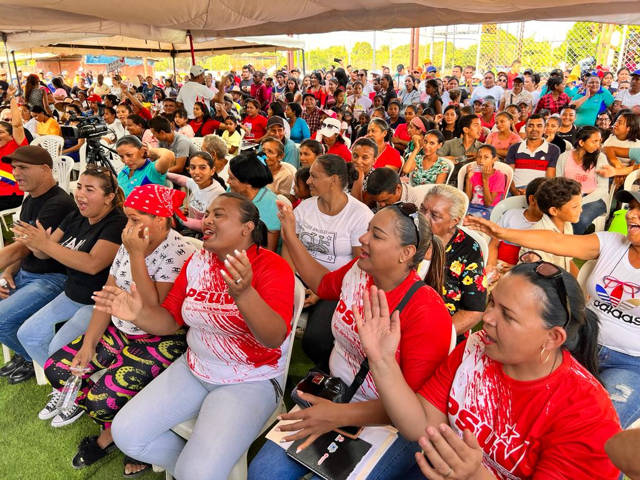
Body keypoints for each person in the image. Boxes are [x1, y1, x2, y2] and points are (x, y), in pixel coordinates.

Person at [356, 260, 621, 480]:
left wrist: (476, 476)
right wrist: (382, 360)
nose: (487, 317)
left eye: (508, 315)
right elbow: (422, 425)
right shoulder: (476, 348)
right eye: (492, 302)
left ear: (552, 338)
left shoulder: (588, 414)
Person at [93, 192, 295, 480]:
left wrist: (244, 294)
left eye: (219, 214)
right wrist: (137, 314)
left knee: (196, 472)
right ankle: (194, 469)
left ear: (246, 227)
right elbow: (168, 322)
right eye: (208, 214)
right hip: (195, 367)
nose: (208, 219)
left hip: (250, 380)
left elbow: (274, 338)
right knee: (127, 434)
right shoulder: (199, 260)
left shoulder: (271, 266)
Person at [250, 200, 452, 480]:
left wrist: (339, 415)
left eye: (377, 235)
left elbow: (417, 409)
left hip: (388, 422)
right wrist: (290, 236)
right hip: (333, 396)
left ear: (406, 253)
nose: (363, 238)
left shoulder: (427, 313)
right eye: (368, 229)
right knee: (263, 473)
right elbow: (322, 283)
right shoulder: (359, 271)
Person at [44, 184, 194, 476]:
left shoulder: (179, 252)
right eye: (128, 218)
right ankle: (110, 418)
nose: (129, 227)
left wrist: (137, 254)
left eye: (137, 219)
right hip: (121, 328)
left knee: (101, 401)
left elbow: (151, 312)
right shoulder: (130, 243)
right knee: (59, 369)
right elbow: (107, 296)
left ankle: (111, 434)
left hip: (159, 337)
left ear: (160, 220)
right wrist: (88, 345)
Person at [465, 189, 640, 430]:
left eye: (639, 210)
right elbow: (557, 241)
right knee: (520, 406)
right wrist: (503, 233)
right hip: (578, 342)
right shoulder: (612, 243)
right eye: (631, 208)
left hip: (631, 364)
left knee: (596, 432)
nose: (632, 215)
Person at [14, 166, 126, 414]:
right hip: (71, 293)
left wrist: (45, 245)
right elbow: (46, 252)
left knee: (57, 349)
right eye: (79, 187)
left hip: (96, 302)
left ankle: (77, 393)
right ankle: (64, 388)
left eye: (89, 189)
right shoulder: (76, 216)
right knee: (28, 334)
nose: (80, 194)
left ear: (109, 196)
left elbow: (92, 264)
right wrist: (34, 243)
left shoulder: (117, 222)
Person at [283, 154, 372, 366]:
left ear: (333, 180)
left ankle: (329, 377)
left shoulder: (359, 215)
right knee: (266, 316)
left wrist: (322, 291)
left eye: (314, 176)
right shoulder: (305, 207)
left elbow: (360, 265)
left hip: (338, 285)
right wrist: (288, 279)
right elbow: (289, 242)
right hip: (300, 280)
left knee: (317, 341)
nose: (308, 181)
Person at [0, 146, 76, 384]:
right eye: (14, 168)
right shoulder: (31, 199)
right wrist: (8, 272)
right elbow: (21, 243)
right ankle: (27, 357)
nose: (16, 173)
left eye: (23, 167)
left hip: (52, 279)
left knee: (1, 319)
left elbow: (23, 247)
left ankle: (31, 360)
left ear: (45, 169)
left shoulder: (58, 202)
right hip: (27, 273)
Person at [421, 185, 486, 337]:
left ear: (453, 221)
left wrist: (438, 335)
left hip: (440, 330)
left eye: (434, 215)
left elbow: (474, 310)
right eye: (423, 210)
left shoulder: (468, 250)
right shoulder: (409, 233)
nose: (423, 218)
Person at [486, 177, 545, 286]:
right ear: (532, 200)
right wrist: (491, 265)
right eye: (546, 200)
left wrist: (516, 269)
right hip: (498, 265)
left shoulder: (547, 226)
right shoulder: (511, 215)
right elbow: (494, 244)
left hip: (525, 275)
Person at [556, 126, 609, 234]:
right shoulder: (564, 157)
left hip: (594, 199)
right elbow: (558, 181)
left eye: (599, 141)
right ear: (581, 142)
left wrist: (579, 202)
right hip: (567, 197)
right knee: (555, 214)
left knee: (580, 219)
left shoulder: (600, 158)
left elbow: (602, 189)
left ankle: (569, 247)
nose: (598, 145)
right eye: (594, 141)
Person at [227, 152, 280, 252]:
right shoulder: (231, 191)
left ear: (247, 182)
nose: (227, 181)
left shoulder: (272, 206)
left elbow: (268, 251)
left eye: (231, 178)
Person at [167, 151, 226, 233]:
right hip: (189, 223)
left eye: (202, 168)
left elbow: (204, 225)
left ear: (212, 171)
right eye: (193, 167)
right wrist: (163, 173)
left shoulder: (217, 194)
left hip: (201, 233)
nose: (196, 172)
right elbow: (179, 179)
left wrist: (179, 217)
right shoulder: (196, 183)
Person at [505, 114, 559, 195]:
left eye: (539, 126)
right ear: (525, 128)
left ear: (545, 129)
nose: (534, 129)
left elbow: (550, 178)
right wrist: (515, 192)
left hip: (540, 191)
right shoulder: (514, 148)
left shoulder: (553, 150)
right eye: (530, 125)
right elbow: (509, 174)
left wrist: (534, 193)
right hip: (515, 190)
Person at [0, 89, 28, 211]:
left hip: (11, 195)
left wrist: (11, 98)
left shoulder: (16, 143)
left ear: (11, 135)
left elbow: (17, 124)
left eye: (1, 132)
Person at [464, 144, 506, 220]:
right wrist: (468, 179)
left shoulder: (499, 176)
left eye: (486, 157)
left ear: (494, 159)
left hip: (489, 209)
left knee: (470, 219)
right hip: (472, 206)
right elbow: (467, 199)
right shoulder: (473, 173)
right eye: (479, 157)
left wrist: (485, 180)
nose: (481, 160)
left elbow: (488, 204)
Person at [438, 115, 483, 182]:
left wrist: (480, 157)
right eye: (476, 125)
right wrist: (446, 159)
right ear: (466, 130)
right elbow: (433, 158)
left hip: (473, 185)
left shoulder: (482, 148)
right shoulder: (450, 144)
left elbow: (496, 162)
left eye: (480, 125)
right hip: (450, 183)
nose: (480, 128)